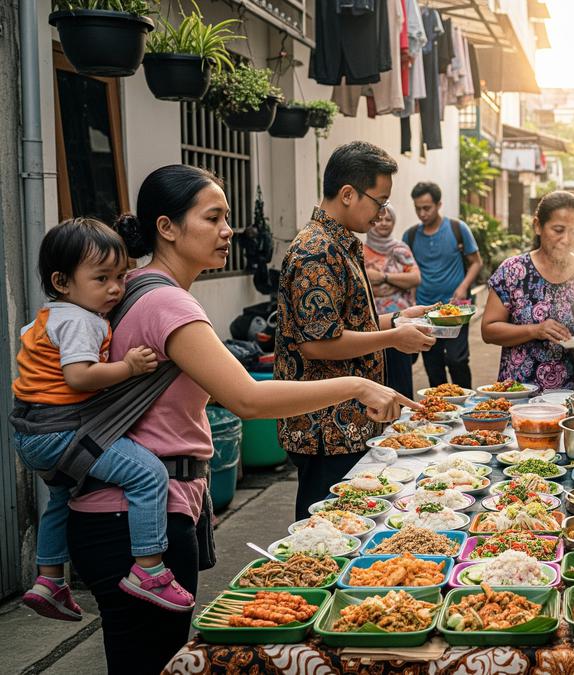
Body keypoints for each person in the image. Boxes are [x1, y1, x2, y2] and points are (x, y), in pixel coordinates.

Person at [67, 164, 410, 674]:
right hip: (135, 516)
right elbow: (246, 399)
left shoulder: (141, 287)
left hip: (132, 510)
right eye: (214, 217)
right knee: (150, 660)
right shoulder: (165, 301)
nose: (230, 230)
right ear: (167, 227)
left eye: (228, 217)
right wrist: (358, 386)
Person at [11, 218, 192, 621]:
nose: (115, 288)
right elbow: (79, 377)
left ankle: (50, 578)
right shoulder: (80, 320)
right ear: (62, 281)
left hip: (32, 432)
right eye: (102, 278)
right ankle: (149, 570)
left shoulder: (49, 316)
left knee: (62, 496)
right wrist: (128, 368)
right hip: (61, 429)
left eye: (121, 276)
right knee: (148, 475)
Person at [276, 142, 436, 521]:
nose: (382, 213)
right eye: (379, 201)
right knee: (323, 530)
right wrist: (394, 337)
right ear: (348, 194)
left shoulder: (340, 244)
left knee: (349, 523)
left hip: (349, 421)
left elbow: (347, 327)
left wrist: (398, 321)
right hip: (324, 427)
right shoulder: (316, 251)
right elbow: (318, 343)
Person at [481, 191, 574, 391]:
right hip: (521, 394)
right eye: (558, 230)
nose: (567, 239)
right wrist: (534, 330)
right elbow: (489, 330)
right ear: (538, 225)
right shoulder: (513, 271)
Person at [404, 181, 482, 388]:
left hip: (456, 310)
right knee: (433, 363)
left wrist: (464, 285)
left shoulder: (457, 228)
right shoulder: (410, 236)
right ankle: (442, 411)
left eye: (427, 208)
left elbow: (476, 262)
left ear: (438, 205)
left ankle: (466, 400)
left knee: (457, 359)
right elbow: (407, 270)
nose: (422, 213)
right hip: (425, 311)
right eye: (418, 208)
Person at [364, 204, 421, 398]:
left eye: (389, 220)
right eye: (380, 219)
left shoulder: (400, 249)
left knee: (401, 377)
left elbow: (414, 278)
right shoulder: (360, 251)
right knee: (377, 378)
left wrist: (383, 277)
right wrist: (397, 281)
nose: (384, 223)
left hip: (400, 323)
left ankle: (405, 422)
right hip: (373, 323)